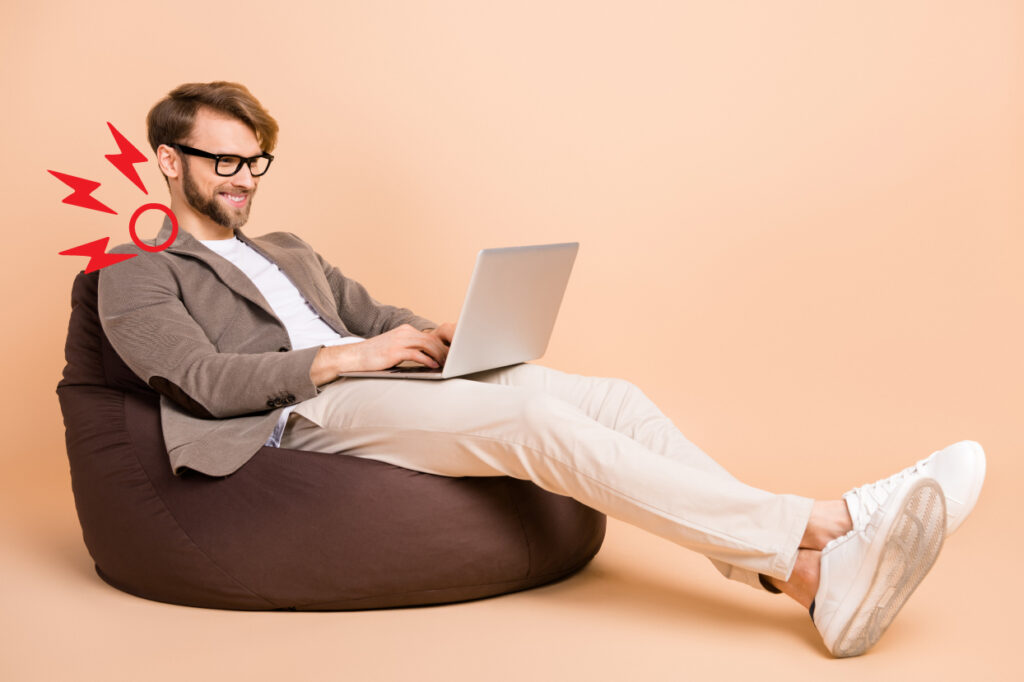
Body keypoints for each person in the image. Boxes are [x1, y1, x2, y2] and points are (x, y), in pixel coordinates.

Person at [98, 81, 986, 658]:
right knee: (536, 427)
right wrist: (345, 358)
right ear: (168, 161)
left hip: (380, 382)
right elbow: (199, 381)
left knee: (610, 398)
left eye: (256, 160)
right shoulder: (133, 273)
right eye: (224, 161)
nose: (245, 178)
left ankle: (804, 576)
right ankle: (829, 528)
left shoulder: (289, 249)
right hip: (297, 418)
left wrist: (442, 335)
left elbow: (377, 318)